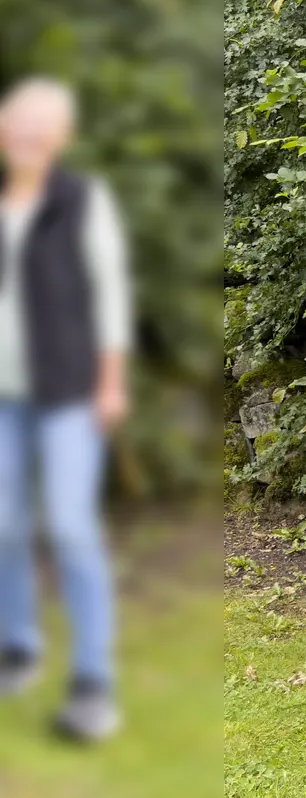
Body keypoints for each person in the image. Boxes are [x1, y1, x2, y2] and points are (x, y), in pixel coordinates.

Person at [0, 77, 131, 742]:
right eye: (17, 120)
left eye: (40, 124)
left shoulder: (82, 201)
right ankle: (18, 645)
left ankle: (92, 682)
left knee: (73, 527)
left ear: (61, 138)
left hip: (68, 392)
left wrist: (110, 384)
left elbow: (110, 297)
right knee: (4, 523)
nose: (26, 134)